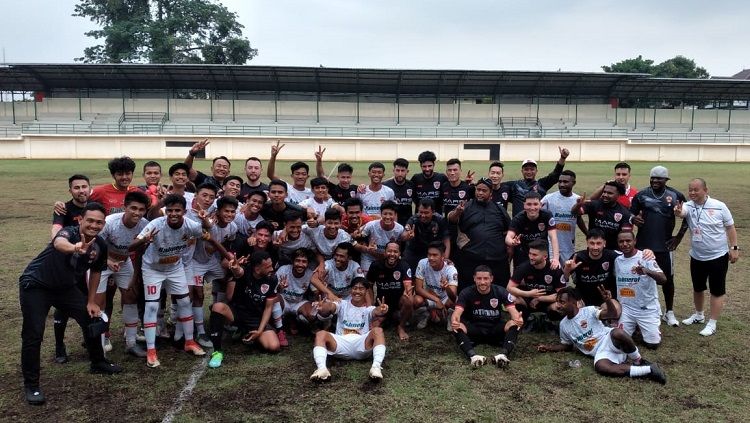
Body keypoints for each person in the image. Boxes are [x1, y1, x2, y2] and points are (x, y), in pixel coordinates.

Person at [19, 202, 123, 405]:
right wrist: (75, 247)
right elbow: (59, 243)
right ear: (81, 220)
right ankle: (31, 385)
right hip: (36, 285)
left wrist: (92, 301)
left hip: (64, 288)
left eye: (99, 222)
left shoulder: (100, 245)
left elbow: (95, 272)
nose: (94, 225)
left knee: (90, 318)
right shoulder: (69, 233)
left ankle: (98, 362)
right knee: (34, 333)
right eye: (90, 220)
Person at [129, 194, 210, 367]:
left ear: (184, 211)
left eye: (177, 210)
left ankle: (189, 342)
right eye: (170, 210)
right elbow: (132, 245)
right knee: (151, 305)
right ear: (165, 211)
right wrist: (144, 241)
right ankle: (151, 351)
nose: (173, 214)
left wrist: (206, 222)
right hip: (153, 269)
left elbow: (206, 232)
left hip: (175, 267)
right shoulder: (156, 224)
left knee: (185, 302)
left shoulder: (191, 225)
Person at [536, 287, 666, 384]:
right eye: (557, 301)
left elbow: (612, 314)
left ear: (574, 302)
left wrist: (608, 301)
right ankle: (649, 370)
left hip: (609, 339)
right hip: (600, 352)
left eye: (562, 302)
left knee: (617, 332)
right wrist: (549, 347)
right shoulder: (563, 325)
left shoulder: (589, 311)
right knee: (601, 367)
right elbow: (566, 346)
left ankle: (638, 360)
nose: (558, 305)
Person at [676, 178, 739, 336]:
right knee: (698, 288)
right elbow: (681, 212)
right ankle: (699, 315)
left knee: (716, 291)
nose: (692, 193)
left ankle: (712, 323)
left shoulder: (719, 206)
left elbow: (730, 227)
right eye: (690, 189)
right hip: (697, 256)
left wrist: (734, 248)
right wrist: (678, 212)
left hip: (718, 256)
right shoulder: (688, 206)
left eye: (696, 190)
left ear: (706, 190)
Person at [630, 165, 688, 327]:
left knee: (668, 280)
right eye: (653, 178)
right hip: (643, 246)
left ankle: (669, 312)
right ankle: (643, 309)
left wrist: (678, 237)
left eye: (659, 178)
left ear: (666, 180)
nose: (655, 181)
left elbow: (688, 216)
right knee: (641, 278)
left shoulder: (675, 195)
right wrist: (634, 219)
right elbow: (630, 214)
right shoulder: (641, 195)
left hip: (665, 246)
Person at [94, 191, 151, 357]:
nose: (137, 213)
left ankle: (131, 343)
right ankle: (100, 342)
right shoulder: (110, 222)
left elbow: (140, 251)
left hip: (124, 262)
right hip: (101, 261)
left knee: (130, 297)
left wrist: (135, 275)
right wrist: (108, 262)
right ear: (124, 207)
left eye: (141, 209)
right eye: (133, 208)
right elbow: (94, 247)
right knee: (99, 303)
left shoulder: (144, 225)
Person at [207, 251, 281, 368]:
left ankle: (249, 334)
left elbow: (268, 308)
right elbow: (238, 271)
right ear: (257, 269)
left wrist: (260, 331)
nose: (272, 269)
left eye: (271, 265)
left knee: (274, 346)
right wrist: (235, 267)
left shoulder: (272, 279)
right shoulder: (246, 272)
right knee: (218, 307)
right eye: (268, 267)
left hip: (256, 318)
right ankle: (217, 352)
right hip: (237, 313)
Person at [309, 277, 389, 382]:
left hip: (361, 344)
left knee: (378, 331)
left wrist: (383, 309)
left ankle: (376, 368)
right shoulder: (342, 304)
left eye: (361, 289)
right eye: (355, 288)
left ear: (366, 291)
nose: (357, 291)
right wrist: (323, 306)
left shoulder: (368, 309)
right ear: (351, 290)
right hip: (341, 343)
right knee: (320, 334)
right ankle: (322, 369)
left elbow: (377, 311)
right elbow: (331, 307)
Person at [51, 174, 93, 363]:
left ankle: (90, 340)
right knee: (62, 306)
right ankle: (59, 346)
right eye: (76, 187)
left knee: (87, 300)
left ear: (90, 188)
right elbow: (56, 230)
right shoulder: (63, 208)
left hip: (86, 264)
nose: (81, 190)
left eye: (84, 186)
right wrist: (60, 242)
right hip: (66, 262)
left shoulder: (94, 207)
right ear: (70, 191)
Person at [450, 265, 523, 368]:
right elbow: (456, 314)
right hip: (475, 329)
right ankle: (473, 357)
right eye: (479, 278)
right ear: (474, 278)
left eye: (486, 278)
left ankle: (503, 355)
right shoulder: (466, 293)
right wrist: (454, 321)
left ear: (491, 279)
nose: (482, 282)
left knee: (515, 324)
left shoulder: (500, 291)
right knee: (457, 327)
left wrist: (518, 319)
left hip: (495, 328)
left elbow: (514, 313)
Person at [447, 177, 511, 292]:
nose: (480, 193)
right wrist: (457, 212)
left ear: (491, 193)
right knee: (468, 290)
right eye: (478, 190)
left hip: (496, 258)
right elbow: (451, 219)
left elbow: (509, 230)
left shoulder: (499, 209)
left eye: (484, 190)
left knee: (499, 289)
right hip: (471, 257)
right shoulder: (466, 206)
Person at [191, 196, 239, 348]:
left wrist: (227, 260)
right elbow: (207, 227)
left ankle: (220, 313)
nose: (229, 214)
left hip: (212, 261)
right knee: (198, 294)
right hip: (196, 261)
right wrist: (227, 256)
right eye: (226, 211)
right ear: (218, 211)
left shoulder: (233, 228)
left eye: (232, 212)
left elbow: (225, 243)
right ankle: (200, 331)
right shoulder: (211, 223)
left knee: (228, 278)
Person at [614, 231, 666, 349]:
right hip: (627, 308)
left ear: (635, 241)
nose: (625, 244)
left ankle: (645, 329)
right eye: (621, 241)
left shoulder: (645, 257)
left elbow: (663, 279)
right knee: (619, 340)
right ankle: (636, 327)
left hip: (646, 309)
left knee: (652, 345)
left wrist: (647, 271)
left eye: (628, 241)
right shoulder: (617, 260)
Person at [507, 239, 567, 328]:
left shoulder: (554, 269)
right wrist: (528, 294)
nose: (531, 257)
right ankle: (525, 319)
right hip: (528, 300)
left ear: (545, 257)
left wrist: (540, 298)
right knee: (512, 298)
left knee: (561, 305)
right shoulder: (523, 267)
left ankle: (551, 323)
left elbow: (562, 294)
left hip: (548, 301)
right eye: (530, 253)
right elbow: (509, 288)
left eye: (534, 255)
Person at [366, 241, 414, 340]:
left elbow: (407, 285)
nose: (392, 254)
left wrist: (407, 292)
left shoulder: (404, 266)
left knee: (409, 300)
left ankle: (401, 326)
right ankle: (387, 318)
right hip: (382, 305)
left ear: (399, 254)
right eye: (389, 251)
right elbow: (369, 286)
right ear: (384, 252)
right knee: (372, 328)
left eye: (395, 252)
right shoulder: (375, 265)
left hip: (398, 303)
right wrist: (370, 305)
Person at [506, 146, 569, 216]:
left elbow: (556, 174)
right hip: (519, 224)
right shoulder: (514, 185)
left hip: (538, 223)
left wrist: (562, 158)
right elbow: (496, 187)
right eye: (526, 169)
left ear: (536, 171)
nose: (529, 172)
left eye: (532, 169)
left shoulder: (542, 184)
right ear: (522, 171)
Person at [572, 180, 633, 250]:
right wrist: (578, 205)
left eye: (610, 193)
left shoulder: (624, 212)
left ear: (618, 194)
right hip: (594, 249)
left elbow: (625, 236)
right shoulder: (594, 204)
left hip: (613, 251)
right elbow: (575, 213)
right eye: (604, 192)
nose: (605, 195)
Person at [541, 170, 586, 263]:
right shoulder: (548, 198)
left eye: (565, 182)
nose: (561, 184)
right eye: (560, 181)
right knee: (552, 273)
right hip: (550, 245)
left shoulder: (577, 200)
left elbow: (578, 218)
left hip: (568, 245)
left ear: (573, 183)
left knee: (566, 273)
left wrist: (587, 233)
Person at [506, 191, 560, 268]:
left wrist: (555, 258)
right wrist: (512, 242)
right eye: (529, 204)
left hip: (541, 255)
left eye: (535, 204)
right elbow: (508, 237)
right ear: (524, 205)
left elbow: (553, 237)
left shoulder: (547, 215)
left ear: (540, 205)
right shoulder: (518, 219)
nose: (532, 208)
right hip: (522, 255)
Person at [413, 242, 459, 330]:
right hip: (431, 296)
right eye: (429, 254)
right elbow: (418, 288)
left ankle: (450, 316)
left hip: (445, 299)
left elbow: (453, 296)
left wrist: (447, 287)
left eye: (435, 255)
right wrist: (436, 300)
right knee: (416, 300)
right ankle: (426, 314)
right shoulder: (423, 263)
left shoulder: (451, 269)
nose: (431, 258)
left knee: (455, 301)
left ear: (442, 256)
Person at [353, 201, 404, 272]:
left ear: (395, 215)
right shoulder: (371, 225)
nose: (387, 217)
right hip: (369, 257)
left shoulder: (400, 229)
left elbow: (399, 247)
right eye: (385, 214)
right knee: (365, 279)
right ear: (381, 214)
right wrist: (358, 235)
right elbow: (359, 235)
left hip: (388, 258)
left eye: (390, 214)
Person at [402, 198, 451, 272]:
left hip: (432, 251)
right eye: (421, 212)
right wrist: (407, 236)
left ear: (433, 212)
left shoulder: (440, 220)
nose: (423, 215)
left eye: (426, 212)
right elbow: (404, 234)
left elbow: (446, 240)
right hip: (414, 251)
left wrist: (446, 258)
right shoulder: (413, 219)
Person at [441, 159, 475, 261]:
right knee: (448, 259)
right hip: (448, 229)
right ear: (446, 172)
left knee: (463, 259)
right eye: (449, 170)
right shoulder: (443, 187)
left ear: (460, 171)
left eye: (455, 170)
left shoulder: (468, 188)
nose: (452, 173)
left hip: (464, 231)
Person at [267, 140, 313, 205]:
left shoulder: (312, 193)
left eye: (303, 174)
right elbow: (270, 175)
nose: (300, 177)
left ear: (307, 176)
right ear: (292, 176)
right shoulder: (286, 187)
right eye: (297, 174)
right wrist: (273, 156)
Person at [384, 158, 415, 226]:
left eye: (402, 171)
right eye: (397, 170)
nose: (400, 173)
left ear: (407, 171)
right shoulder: (386, 185)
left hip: (407, 223)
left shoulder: (411, 185)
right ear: (393, 171)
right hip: (391, 223)